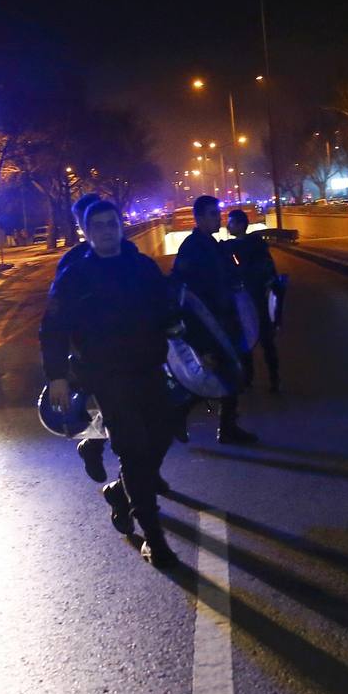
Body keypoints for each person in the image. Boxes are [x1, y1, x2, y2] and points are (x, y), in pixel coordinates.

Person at [40, 200, 180, 567]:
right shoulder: (75, 276)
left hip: (148, 367)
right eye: (97, 225)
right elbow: (53, 327)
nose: (106, 230)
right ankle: (154, 538)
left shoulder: (142, 267)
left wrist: (180, 332)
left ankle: (120, 490)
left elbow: (167, 308)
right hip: (106, 374)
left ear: (121, 226)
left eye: (111, 223)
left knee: (163, 434)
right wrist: (56, 375)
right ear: (86, 232)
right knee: (133, 450)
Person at [54, 193, 145, 483]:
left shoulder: (128, 253)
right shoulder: (72, 263)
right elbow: (58, 316)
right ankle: (109, 462)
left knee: (140, 418)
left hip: (135, 352)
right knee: (117, 416)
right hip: (94, 357)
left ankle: (138, 476)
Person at [172, 195, 257, 445]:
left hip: (225, 321)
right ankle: (183, 413)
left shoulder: (214, 245)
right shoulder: (192, 248)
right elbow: (185, 296)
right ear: (198, 218)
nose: (217, 218)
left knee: (233, 373)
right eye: (211, 214)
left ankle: (226, 427)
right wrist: (200, 342)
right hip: (209, 325)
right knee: (222, 374)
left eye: (217, 213)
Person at [223, 209, 280, 393]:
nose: (227, 225)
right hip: (259, 298)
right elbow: (270, 270)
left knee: (245, 341)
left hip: (245, 300)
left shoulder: (232, 247)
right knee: (266, 342)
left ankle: (248, 378)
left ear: (240, 225)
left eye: (231, 222)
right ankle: (274, 379)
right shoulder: (258, 244)